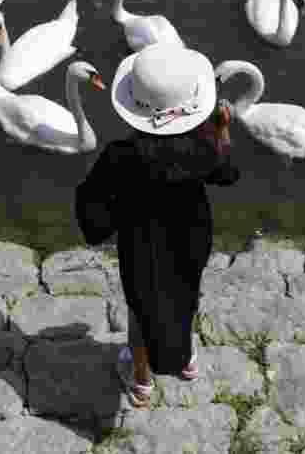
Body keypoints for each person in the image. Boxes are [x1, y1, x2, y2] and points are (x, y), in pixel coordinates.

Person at [74, 44, 239, 408]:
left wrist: (104, 224)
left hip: (143, 242)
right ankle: (187, 358)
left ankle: (142, 380)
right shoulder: (204, 145)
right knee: (185, 289)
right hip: (192, 235)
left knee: (142, 307)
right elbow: (227, 174)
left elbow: (93, 205)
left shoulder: (120, 156)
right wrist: (222, 131)